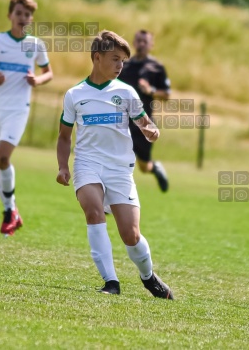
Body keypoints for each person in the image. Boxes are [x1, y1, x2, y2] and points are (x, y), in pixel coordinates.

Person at [56, 30, 173, 299]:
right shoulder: (75, 94)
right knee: (94, 213)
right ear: (97, 58)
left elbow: (144, 122)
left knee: (131, 235)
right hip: (88, 164)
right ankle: (111, 282)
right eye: (115, 59)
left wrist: (150, 130)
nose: (121, 66)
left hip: (120, 168)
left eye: (123, 60)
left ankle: (148, 277)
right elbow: (64, 136)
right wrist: (63, 166)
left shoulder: (126, 92)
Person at [0, 0, 53, 236]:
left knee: (4, 159)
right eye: (19, 14)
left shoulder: (36, 45)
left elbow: (49, 73)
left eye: (27, 15)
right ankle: (11, 210)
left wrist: (37, 79)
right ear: (10, 16)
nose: (23, 18)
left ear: (31, 18)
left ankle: (8, 213)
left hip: (18, 109)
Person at [117, 30, 170, 192]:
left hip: (143, 123)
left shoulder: (157, 67)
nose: (141, 44)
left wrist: (150, 90)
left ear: (151, 45)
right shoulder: (124, 66)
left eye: (144, 42)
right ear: (133, 42)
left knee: (143, 166)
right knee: (119, 161)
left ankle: (154, 167)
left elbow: (166, 95)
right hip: (122, 122)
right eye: (138, 41)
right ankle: (112, 200)